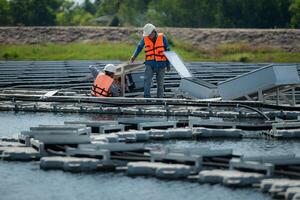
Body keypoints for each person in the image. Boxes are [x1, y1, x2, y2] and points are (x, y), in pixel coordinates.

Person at [130, 23, 170, 98]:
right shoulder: (145, 38)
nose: (148, 36)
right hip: (150, 64)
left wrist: (168, 65)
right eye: (147, 35)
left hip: (161, 64)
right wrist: (134, 56)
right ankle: (147, 98)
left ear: (154, 32)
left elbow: (168, 51)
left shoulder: (163, 38)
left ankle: (160, 99)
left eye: (149, 34)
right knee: (147, 81)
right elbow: (139, 47)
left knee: (160, 83)